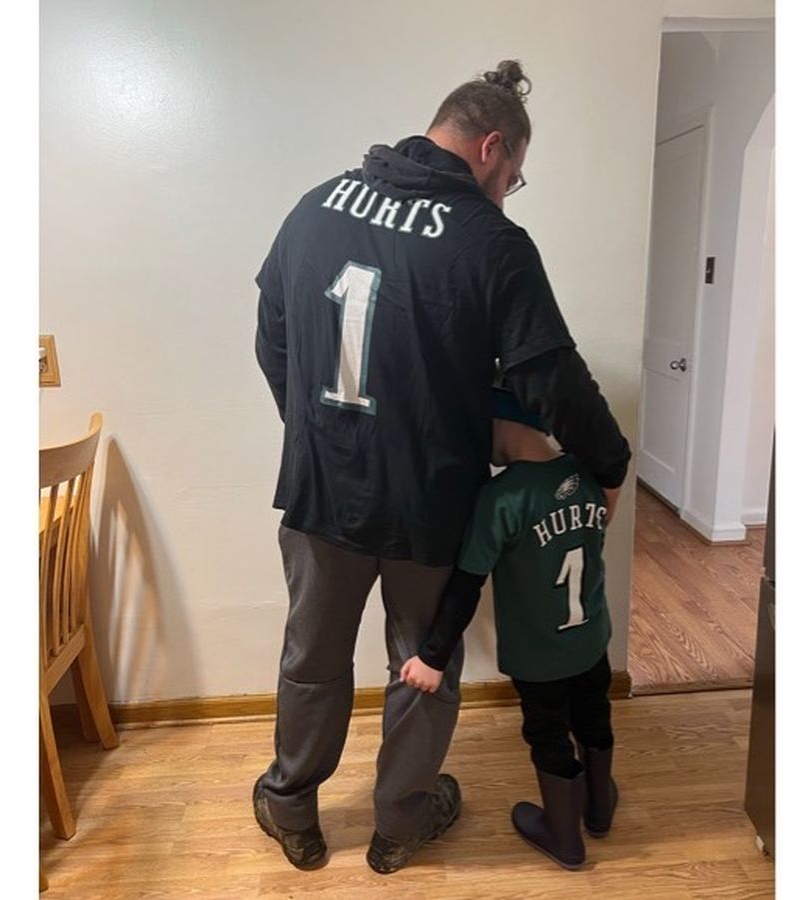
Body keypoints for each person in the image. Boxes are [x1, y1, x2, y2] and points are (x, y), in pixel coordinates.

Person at [252, 58, 631, 875]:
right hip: (428, 503)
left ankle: (292, 808)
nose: (507, 193)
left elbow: (272, 337)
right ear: (492, 147)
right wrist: (609, 461)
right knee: (421, 664)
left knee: (312, 657)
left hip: (323, 492)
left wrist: (318, 437)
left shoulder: (316, 206)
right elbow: (550, 375)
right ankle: (398, 825)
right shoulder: (491, 242)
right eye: (513, 176)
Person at [400, 386, 620, 870]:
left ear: (501, 423)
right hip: (591, 639)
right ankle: (599, 807)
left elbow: (466, 584)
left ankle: (564, 836)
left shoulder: (502, 498)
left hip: (538, 655)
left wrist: (433, 656)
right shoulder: (588, 473)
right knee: (594, 713)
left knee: (548, 733)